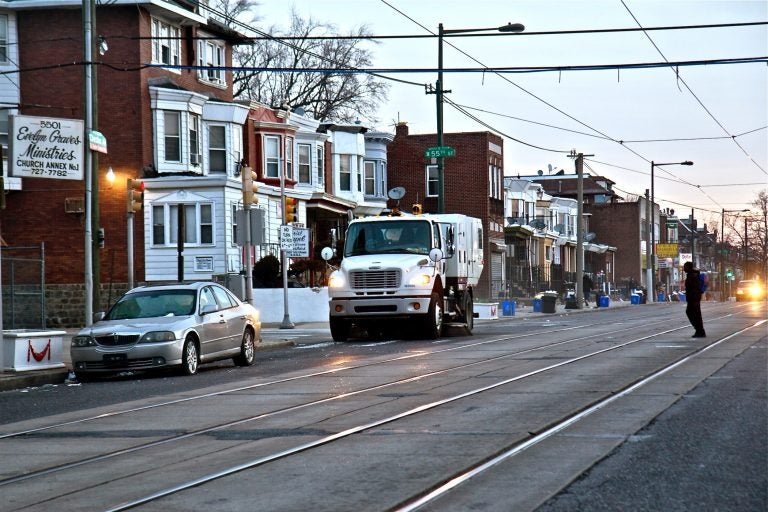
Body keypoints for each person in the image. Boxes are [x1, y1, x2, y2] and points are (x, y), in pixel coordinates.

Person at [683, 261, 706, 338]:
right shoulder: (692, 274)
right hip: (693, 298)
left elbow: (694, 288)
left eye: (685, 267)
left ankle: (699, 330)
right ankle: (699, 330)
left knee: (693, 314)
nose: (684, 268)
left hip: (694, 298)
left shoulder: (693, 275)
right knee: (695, 314)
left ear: (688, 267)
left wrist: (693, 296)